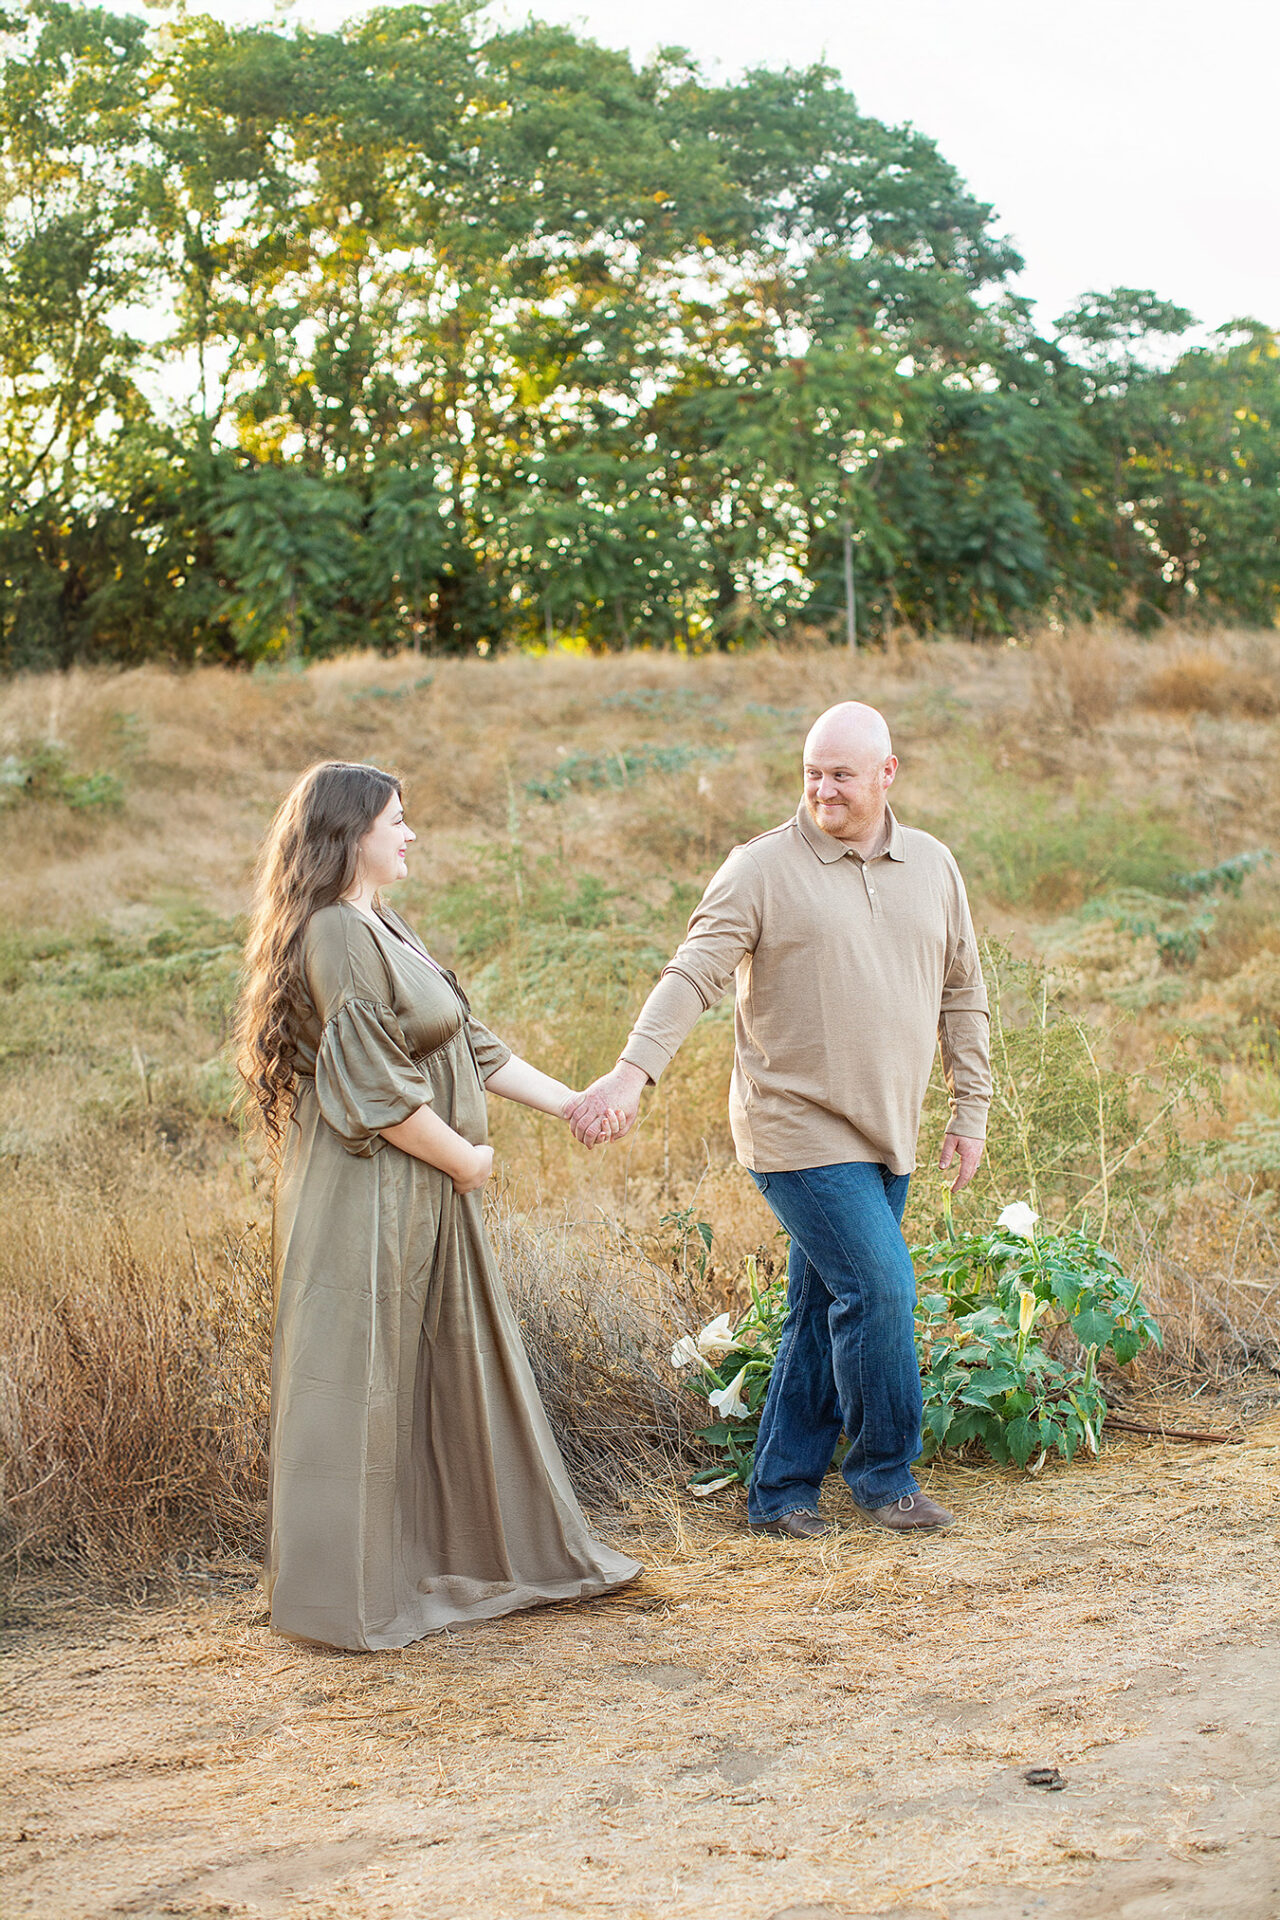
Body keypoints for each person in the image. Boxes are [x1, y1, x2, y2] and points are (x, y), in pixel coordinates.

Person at [237, 761, 639, 1650]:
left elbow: (471, 1045)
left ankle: (434, 1561)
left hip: (419, 1192)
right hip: (370, 1192)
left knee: (434, 1369)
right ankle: (346, 1595)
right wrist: (468, 1160)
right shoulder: (336, 933)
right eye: (396, 820)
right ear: (351, 836)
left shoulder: (383, 923)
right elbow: (375, 1088)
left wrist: (576, 1104)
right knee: (363, 1373)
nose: (410, 833)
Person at [568, 702, 990, 1539]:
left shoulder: (934, 865)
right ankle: (885, 1477)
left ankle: (781, 1492)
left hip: (888, 1129)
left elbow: (963, 991)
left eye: (841, 775)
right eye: (812, 773)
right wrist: (630, 1074)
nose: (823, 789)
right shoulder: (760, 868)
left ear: (887, 774)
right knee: (880, 1288)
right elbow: (693, 974)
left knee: (821, 1310)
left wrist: (968, 1107)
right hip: (794, 1128)